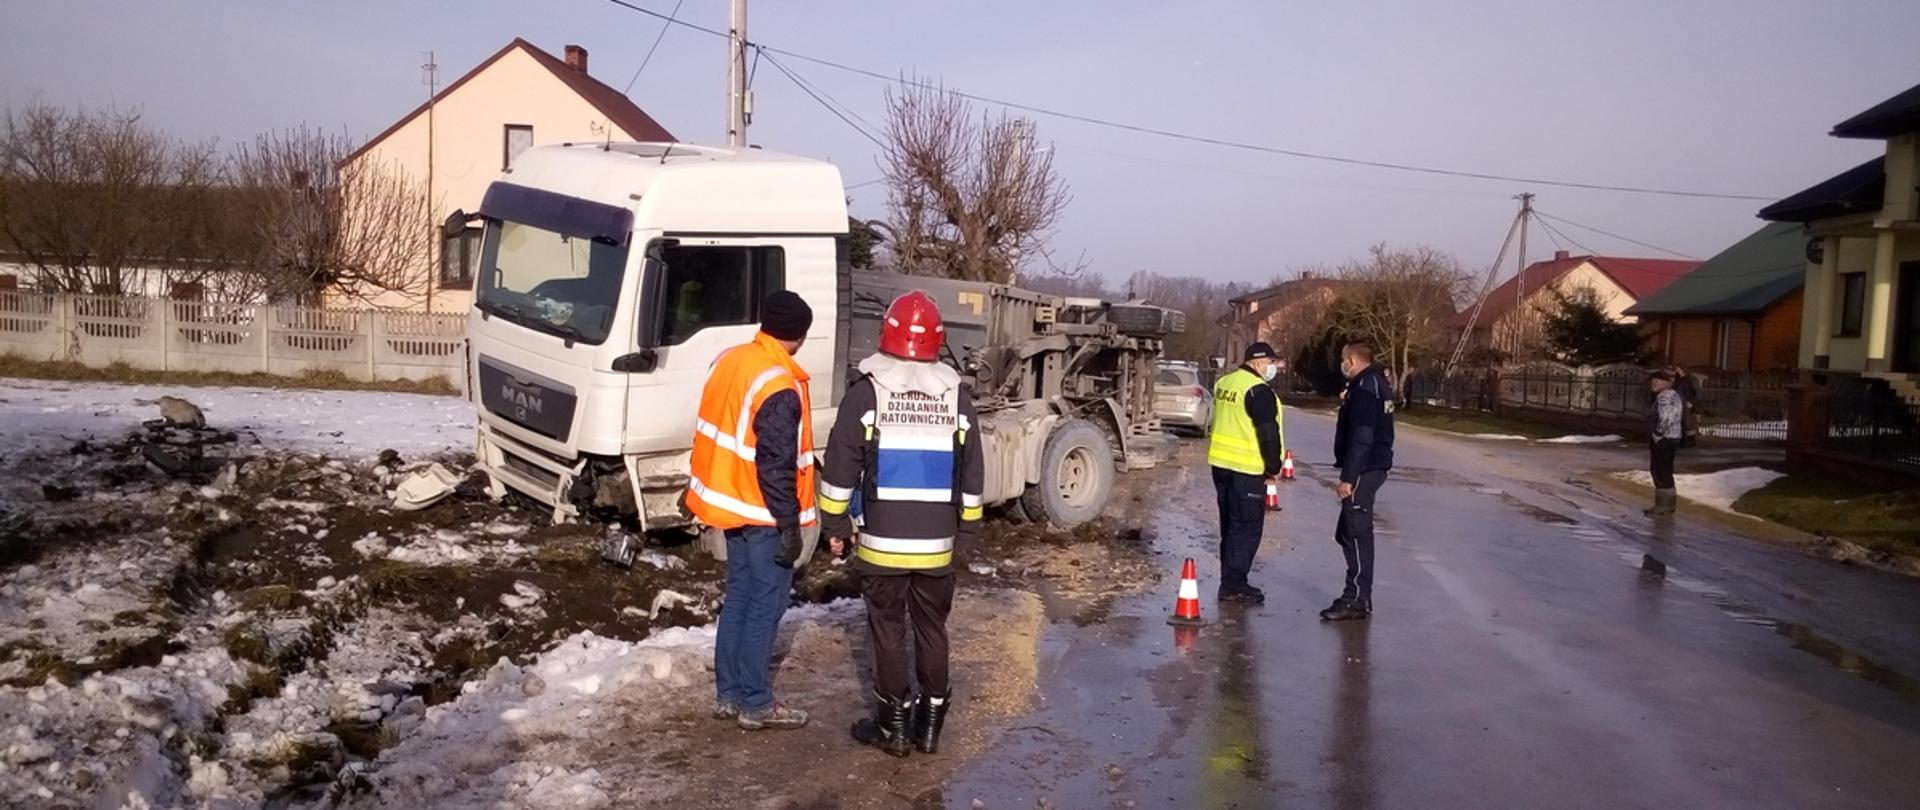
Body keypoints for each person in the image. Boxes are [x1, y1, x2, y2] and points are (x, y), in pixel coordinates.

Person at [818, 291, 985, 758]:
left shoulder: (866, 394)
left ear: (885, 334)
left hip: (880, 545)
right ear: (939, 339)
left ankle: (892, 725)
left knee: (887, 632)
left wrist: (836, 524)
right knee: (932, 631)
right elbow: (972, 474)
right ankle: (930, 726)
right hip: (937, 547)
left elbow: (840, 469)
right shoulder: (958, 400)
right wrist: (967, 533)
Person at [685, 291, 818, 731]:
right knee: (766, 604)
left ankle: (729, 694)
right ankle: (757, 703)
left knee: (739, 597)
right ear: (799, 334)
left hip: (728, 502)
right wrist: (789, 526)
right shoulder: (778, 384)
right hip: (762, 510)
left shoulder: (732, 359)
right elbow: (776, 464)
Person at [1206, 342, 1287, 603]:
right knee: (1245, 529)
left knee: (1229, 526)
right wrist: (1273, 467)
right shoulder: (1258, 391)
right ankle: (1234, 585)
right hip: (1247, 469)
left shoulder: (1225, 383)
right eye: (1271, 363)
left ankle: (1229, 579)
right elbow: (1268, 433)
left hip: (1221, 465)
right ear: (1259, 362)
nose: (1273, 368)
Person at [1322, 342, 1395, 622]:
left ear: (1351, 360)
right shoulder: (1371, 383)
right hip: (1369, 465)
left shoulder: (1366, 387)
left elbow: (1363, 436)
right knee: (1346, 531)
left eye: (1343, 359)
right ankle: (1358, 594)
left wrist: (1348, 478)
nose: (1341, 364)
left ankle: (1357, 597)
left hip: (1365, 468)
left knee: (1356, 531)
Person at [1646, 369, 1685, 517]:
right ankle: (1667, 506)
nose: (1654, 382)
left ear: (1667, 383)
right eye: (1653, 379)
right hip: (1672, 438)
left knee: (1660, 472)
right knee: (1665, 471)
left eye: (1658, 380)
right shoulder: (1673, 394)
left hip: (1665, 439)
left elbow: (1666, 417)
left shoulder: (1665, 396)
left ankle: (1663, 506)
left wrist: (1658, 434)